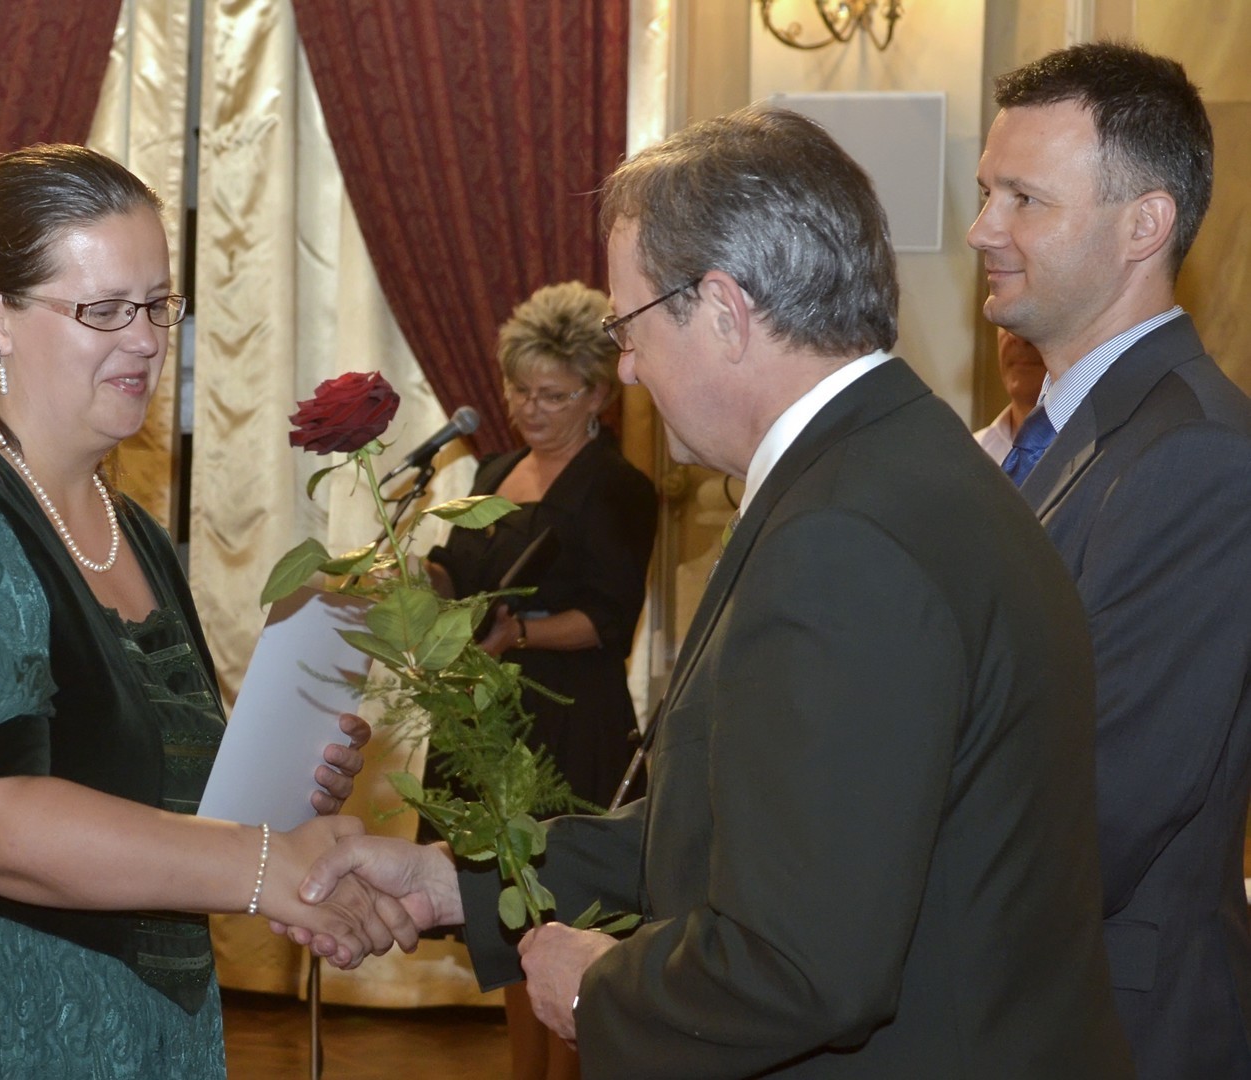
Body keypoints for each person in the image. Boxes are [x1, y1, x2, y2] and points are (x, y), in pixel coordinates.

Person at [292, 106, 1132, 1078]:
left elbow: (803, 965)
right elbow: (739, 829)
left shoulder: (844, 536)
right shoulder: (896, 463)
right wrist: (452, 882)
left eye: (630, 327)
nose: (629, 367)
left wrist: (599, 990)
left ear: (725, 310)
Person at [0, 144, 411, 1078]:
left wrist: (282, 795)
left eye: (158, 304)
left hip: (128, 1024)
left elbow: (134, 798)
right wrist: (268, 864)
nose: (146, 339)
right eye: (103, 309)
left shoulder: (134, 535)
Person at [969, 41, 1251, 1079]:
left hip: (1118, 1030)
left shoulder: (1198, 457)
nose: (981, 228)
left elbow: (1097, 819)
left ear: (1145, 224)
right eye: (986, 193)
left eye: (1024, 199)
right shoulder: (1066, 436)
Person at [422, 281, 656, 1080]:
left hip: (569, 724)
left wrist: (515, 634)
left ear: (597, 394)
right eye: (520, 390)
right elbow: (458, 573)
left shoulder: (618, 487)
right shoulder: (492, 471)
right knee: (505, 922)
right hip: (489, 724)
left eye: (552, 395)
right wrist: (419, 581)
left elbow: (608, 619)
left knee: (563, 920)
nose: (530, 408)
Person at [973, 327, 1047, 464]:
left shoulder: (1088, 456)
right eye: (1006, 323)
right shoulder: (965, 459)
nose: (1017, 337)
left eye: (1033, 320)